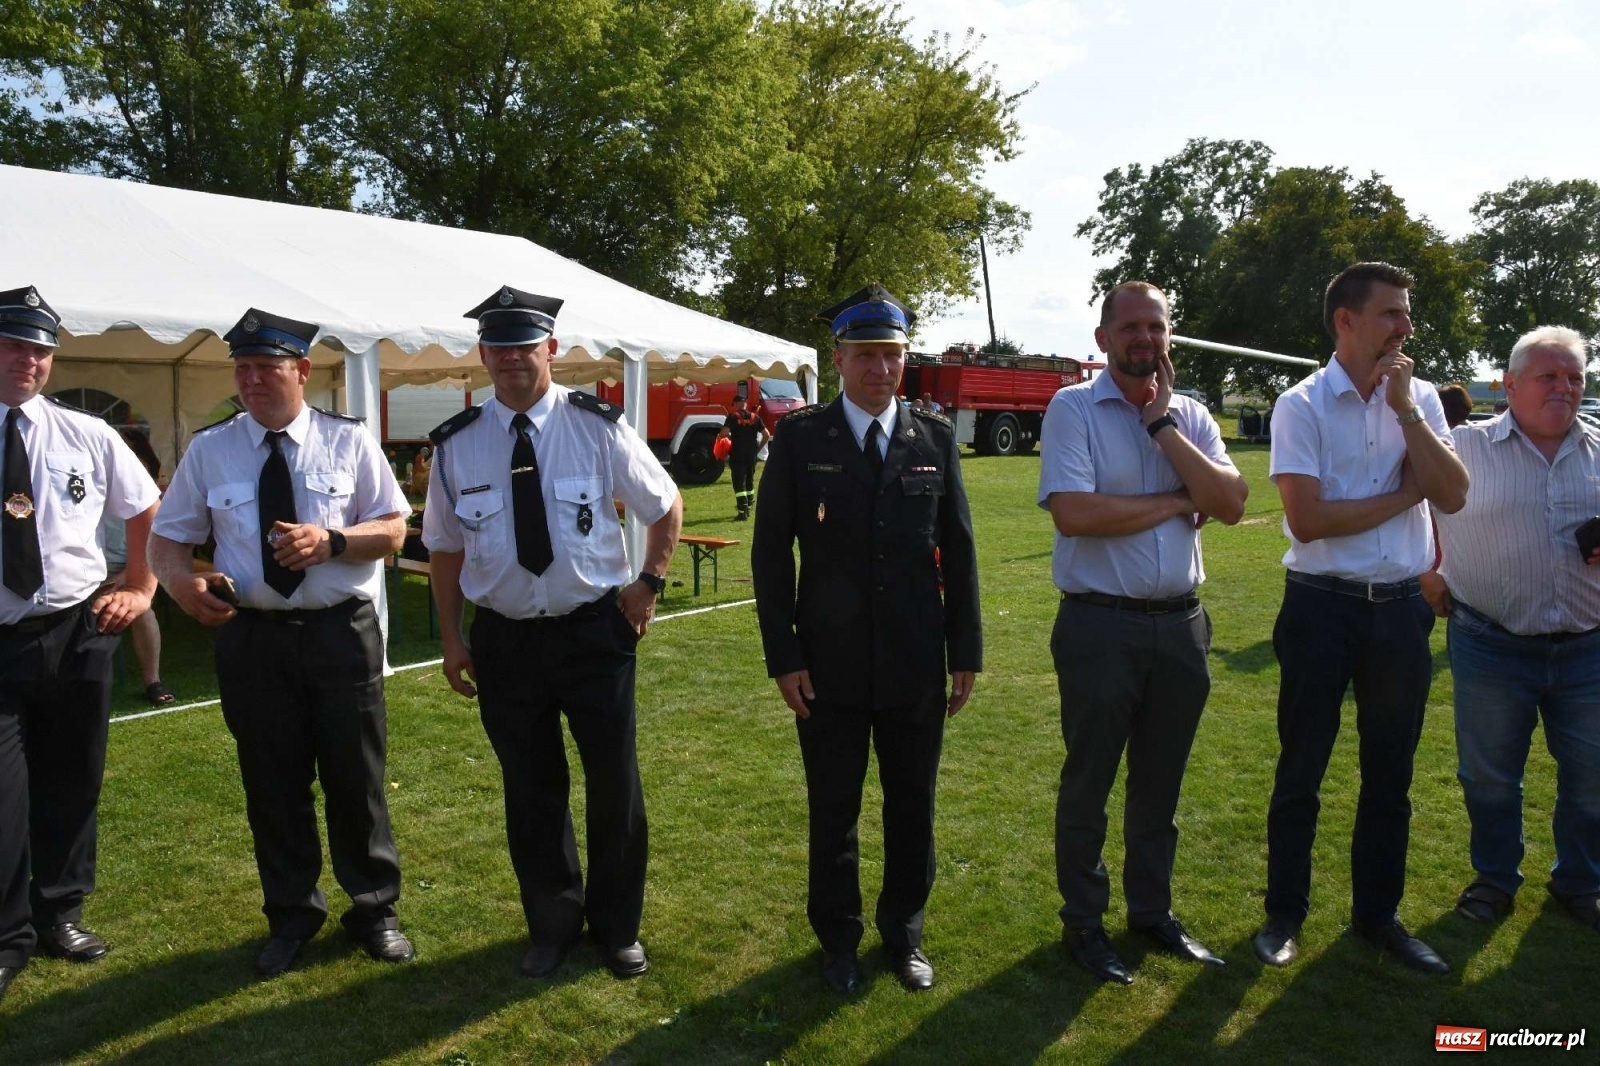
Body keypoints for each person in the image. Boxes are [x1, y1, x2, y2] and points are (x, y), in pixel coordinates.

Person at [423, 285, 682, 981]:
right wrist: (452, 636)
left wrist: (649, 583)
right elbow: (444, 548)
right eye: (498, 347)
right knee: (531, 790)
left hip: (594, 631)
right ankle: (553, 924)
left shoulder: (597, 425)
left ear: (552, 350)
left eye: (524, 345)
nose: (511, 359)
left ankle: (619, 928)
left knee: (614, 786)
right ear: (483, 355)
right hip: (506, 640)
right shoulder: (456, 447)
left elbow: (664, 505)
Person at [150, 308, 414, 979]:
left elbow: (394, 532)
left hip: (339, 632)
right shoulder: (212, 449)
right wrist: (182, 587)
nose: (253, 379)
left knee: (356, 780)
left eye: (267, 367)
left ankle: (375, 910)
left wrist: (332, 542)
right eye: (243, 368)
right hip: (255, 639)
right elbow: (167, 539)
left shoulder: (348, 441)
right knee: (272, 783)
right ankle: (291, 913)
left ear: (302, 370)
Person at [751, 284, 981, 996]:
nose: (881, 369)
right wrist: (783, 657)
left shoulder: (934, 437)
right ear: (840, 358)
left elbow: (960, 549)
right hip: (829, 666)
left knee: (913, 806)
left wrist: (966, 651)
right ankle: (839, 940)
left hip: (915, 662)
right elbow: (769, 555)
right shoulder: (799, 438)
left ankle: (904, 933)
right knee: (835, 810)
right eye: (867, 355)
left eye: (893, 355)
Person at [1254, 262, 1469, 975]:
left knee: (1391, 776)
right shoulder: (1302, 404)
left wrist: (1407, 411)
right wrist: (1404, 496)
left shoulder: (1425, 399)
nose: (1406, 327)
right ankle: (1284, 914)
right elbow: (1308, 520)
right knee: (1301, 769)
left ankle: (1379, 916)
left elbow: (1454, 494)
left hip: (1401, 610)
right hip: (1321, 608)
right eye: (1391, 314)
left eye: (1406, 314)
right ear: (1346, 321)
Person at [1039, 281, 1247, 985]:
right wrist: (1176, 501)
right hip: (1101, 625)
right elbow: (1075, 514)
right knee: (1090, 782)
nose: (1144, 341)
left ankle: (1151, 913)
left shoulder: (1189, 414)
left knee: (1160, 786)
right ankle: (1085, 924)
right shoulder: (1073, 409)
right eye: (1129, 327)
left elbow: (1232, 503)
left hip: (1182, 627)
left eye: (1155, 328)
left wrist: (1164, 428)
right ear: (1102, 339)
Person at [0, 285, 160, 1006]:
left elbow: (145, 505)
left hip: (75, 631)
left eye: (39, 349)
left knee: (72, 782)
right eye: (13, 345)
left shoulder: (86, 433)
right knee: (4, 797)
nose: (27, 360)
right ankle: (8, 937)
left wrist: (141, 585)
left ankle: (60, 913)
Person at [1421, 326, 1600, 934]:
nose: (1564, 387)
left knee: (1592, 777)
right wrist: (1429, 567)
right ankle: (1494, 880)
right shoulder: (1462, 447)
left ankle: (1581, 882)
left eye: (1574, 376)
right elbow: (1410, 507)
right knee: (1490, 774)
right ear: (1511, 384)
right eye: (1549, 376)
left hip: (1589, 648)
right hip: (1490, 642)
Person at [98, 427, 173, 705]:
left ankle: (152, 681)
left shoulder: (148, 499)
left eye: (132, 453)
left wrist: (126, 576)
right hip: (91, 572)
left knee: (142, 609)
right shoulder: (88, 487)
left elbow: (154, 546)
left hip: (131, 570)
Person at [717, 395, 768, 520]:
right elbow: (766, 435)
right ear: (745, 404)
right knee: (750, 480)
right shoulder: (755, 417)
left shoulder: (733, 417)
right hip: (751, 453)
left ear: (735, 404)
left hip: (738, 453)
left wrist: (721, 438)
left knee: (739, 482)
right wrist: (758, 449)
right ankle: (749, 507)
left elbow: (724, 433)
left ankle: (742, 511)